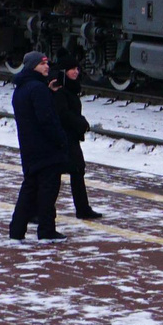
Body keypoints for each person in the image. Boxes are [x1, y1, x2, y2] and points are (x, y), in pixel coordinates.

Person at [7, 51, 72, 242]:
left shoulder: (22, 88)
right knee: (48, 191)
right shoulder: (37, 89)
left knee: (29, 190)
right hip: (46, 149)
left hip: (29, 148)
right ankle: (46, 231)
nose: (47, 67)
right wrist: (61, 140)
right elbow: (47, 119)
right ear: (32, 66)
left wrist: (47, 91)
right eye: (42, 64)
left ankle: (16, 231)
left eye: (47, 64)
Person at [50, 60, 100, 221]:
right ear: (64, 71)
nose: (76, 72)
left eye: (77, 68)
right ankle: (40, 210)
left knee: (76, 171)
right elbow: (63, 114)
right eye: (72, 68)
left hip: (70, 137)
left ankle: (82, 208)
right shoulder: (60, 91)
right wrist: (81, 123)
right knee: (58, 174)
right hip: (64, 138)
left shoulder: (70, 88)